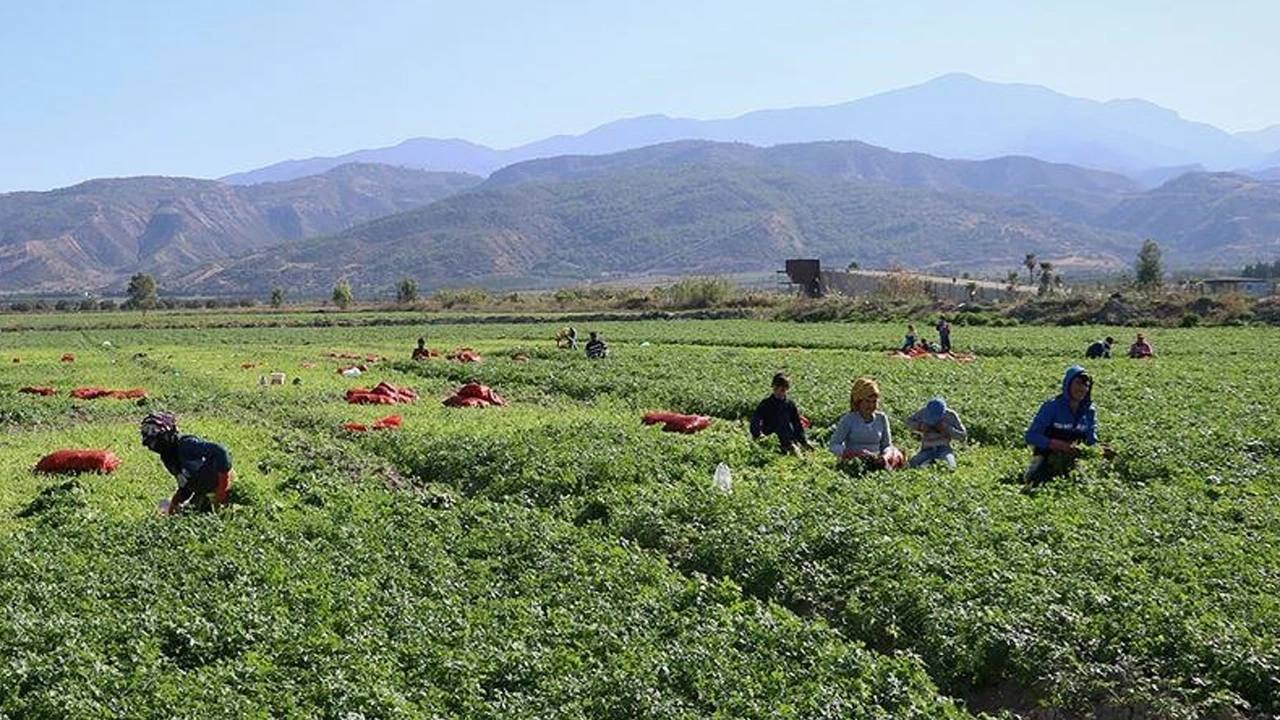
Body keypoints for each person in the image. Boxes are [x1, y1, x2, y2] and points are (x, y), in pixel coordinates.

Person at [1023, 366, 1109, 485]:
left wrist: (1099, 450)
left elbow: (1091, 439)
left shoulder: (1089, 411)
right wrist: (1060, 445)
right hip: (1048, 454)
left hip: (1074, 457)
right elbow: (1031, 436)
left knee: (1083, 483)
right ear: (1068, 385)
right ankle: (1036, 466)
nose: (1082, 388)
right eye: (1078, 383)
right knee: (1038, 481)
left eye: (1086, 385)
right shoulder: (1052, 407)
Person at [141, 411, 235, 515]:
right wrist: (175, 503)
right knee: (187, 515)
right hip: (204, 493)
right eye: (146, 431)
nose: (150, 437)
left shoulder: (187, 445)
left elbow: (221, 451)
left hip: (222, 488)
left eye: (154, 430)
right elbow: (186, 484)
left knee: (223, 517)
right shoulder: (168, 457)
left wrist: (223, 489)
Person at [829, 377, 906, 471]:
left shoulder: (881, 418)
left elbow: (887, 445)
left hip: (877, 460)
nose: (871, 406)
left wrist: (885, 456)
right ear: (859, 402)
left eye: (874, 402)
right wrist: (853, 453)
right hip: (855, 461)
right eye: (867, 401)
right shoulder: (849, 419)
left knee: (895, 454)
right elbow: (834, 445)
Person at [750, 373, 814, 455]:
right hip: (770, 440)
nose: (780, 392)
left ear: (787, 389)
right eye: (778, 388)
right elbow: (755, 421)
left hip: (787, 439)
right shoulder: (766, 404)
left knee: (797, 453)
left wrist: (804, 442)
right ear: (773, 387)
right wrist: (758, 435)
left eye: (783, 389)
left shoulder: (790, 405)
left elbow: (797, 425)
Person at [906, 397, 967, 469]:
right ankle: (928, 463)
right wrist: (920, 426)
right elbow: (908, 422)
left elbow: (963, 436)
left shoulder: (951, 415)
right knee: (912, 464)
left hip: (944, 449)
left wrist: (947, 429)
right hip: (927, 449)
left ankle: (930, 464)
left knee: (951, 467)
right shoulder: (922, 413)